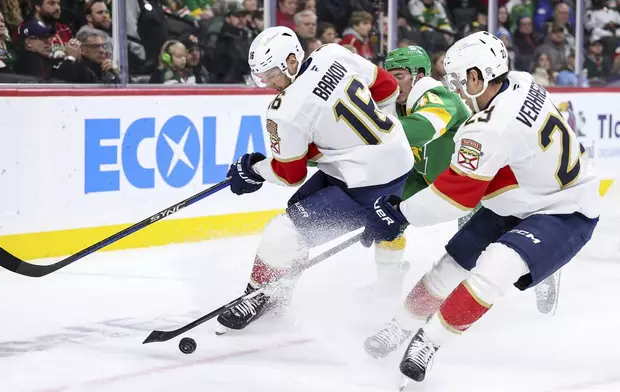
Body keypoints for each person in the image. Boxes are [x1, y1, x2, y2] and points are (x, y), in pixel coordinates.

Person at [361, 31, 599, 386]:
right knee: (450, 265)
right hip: (520, 196)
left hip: (564, 210)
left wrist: (400, 214)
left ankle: (428, 342)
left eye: (458, 80)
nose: (455, 89)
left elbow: (453, 199)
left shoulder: (489, 127)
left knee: (494, 268)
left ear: (478, 77)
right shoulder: (521, 81)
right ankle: (400, 326)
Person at [215, 26, 414, 334]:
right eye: (262, 77)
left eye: (271, 74)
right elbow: (387, 88)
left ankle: (260, 293)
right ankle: (278, 292)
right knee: (299, 208)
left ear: (292, 61)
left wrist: (253, 170)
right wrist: (372, 137)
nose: (269, 84)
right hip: (394, 158)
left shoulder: (285, 110)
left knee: (283, 231)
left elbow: (289, 173)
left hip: (365, 183)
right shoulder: (333, 53)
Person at [365, 46, 471, 299]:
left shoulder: (438, 96)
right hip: (424, 177)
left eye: (399, 76)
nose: (393, 83)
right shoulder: (394, 104)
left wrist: (366, 127)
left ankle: (539, 274)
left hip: (471, 181)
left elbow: (422, 130)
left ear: (420, 75)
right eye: (389, 76)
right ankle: (387, 285)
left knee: (473, 246)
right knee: (385, 214)